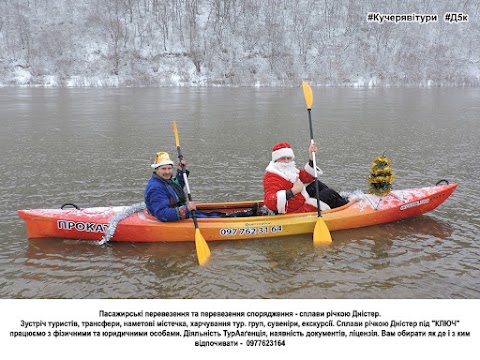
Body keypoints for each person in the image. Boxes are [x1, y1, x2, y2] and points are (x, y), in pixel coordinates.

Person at [145, 151, 258, 222]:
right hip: (176, 216)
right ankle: (248, 216)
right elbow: (162, 215)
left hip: (180, 211)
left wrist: (180, 171)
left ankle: (247, 213)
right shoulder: (156, 188)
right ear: (156, 170)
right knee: (215, 219)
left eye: (169, 168)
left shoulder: (165, 181)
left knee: (215, 214)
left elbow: (176, 188)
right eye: (163, 169)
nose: (167, 172)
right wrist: (186, 209)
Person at [263, 142, 347, 214]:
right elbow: (270, 202)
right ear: (276, 160)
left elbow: (307, 177)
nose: (286, 161)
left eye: (288, 158)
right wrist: (293, 191)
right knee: (328, 193)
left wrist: (311, 156)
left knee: (316, 184)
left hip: (300, 202)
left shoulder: (289, 170)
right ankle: (346, 208)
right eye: (283, 158)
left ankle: (339, 204)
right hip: (295, 212)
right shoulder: (271, 176)